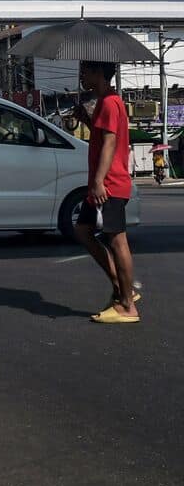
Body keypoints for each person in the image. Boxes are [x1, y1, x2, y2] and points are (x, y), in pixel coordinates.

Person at [72, 61, 139, 323]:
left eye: (85, 72)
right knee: (83, 231)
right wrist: (87, 120)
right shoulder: (104, 103)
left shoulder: (110, 102)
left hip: (109, 183)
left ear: (99, 73)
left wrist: (99, 181)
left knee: (117, 241)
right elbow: (103, 137)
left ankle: (127, 305)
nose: (82, 77)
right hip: (102, 183)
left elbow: (110, 144)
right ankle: (123, 289)